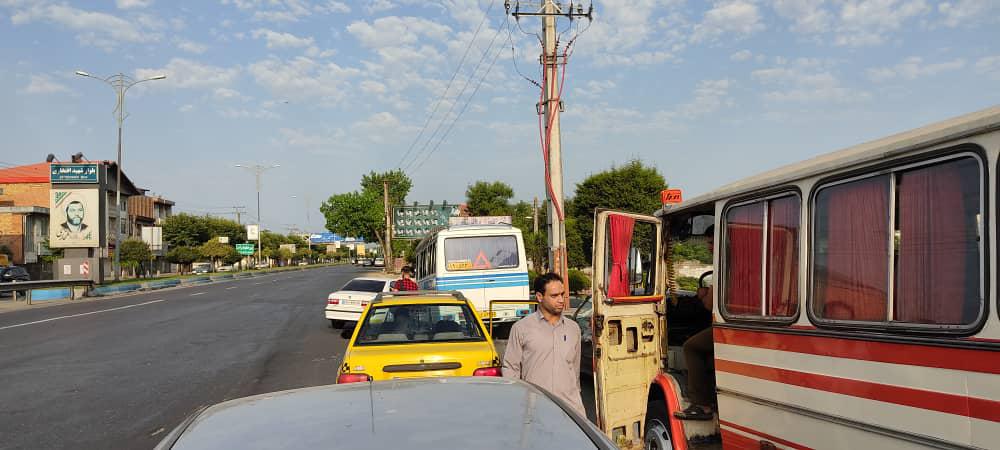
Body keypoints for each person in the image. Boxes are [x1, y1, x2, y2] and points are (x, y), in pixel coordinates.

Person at [502, 272, 585, 417]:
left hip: (571, 410)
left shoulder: (573, 328)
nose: (561, 300)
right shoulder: (521, 328)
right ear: (540, 297)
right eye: (554, 296)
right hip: (535, 409)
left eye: (562, 294)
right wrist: (517, 401)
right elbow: (511, 368)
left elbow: (575, 369)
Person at [674, 225, 716, 420]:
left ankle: (701, 403)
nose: (709, 246)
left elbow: (710, 305)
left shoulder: (724, 262)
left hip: (727, 327)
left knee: (691, 347)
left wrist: (703, 295)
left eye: (710, 242)